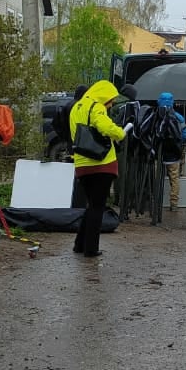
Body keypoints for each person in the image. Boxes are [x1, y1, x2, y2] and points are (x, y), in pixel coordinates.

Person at [69, 80, 129, 257]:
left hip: (82, 163)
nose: (110, 104)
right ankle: (91, 248)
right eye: (110, 100)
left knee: (91, 205)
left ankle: (79, 244)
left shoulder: (76, 107)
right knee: (98, 207)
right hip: (101, 164)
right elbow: (104, 126)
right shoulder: (96, 107)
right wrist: (120, 133)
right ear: (103, 95)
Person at [156, 91, 186, 211]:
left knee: (156, 177)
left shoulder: (156, 115)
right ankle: (174, 204)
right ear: (172, 102)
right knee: (174, 179)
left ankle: (156, 201)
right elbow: (185, 134)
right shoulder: (178, 117)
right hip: (174, 154)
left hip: (159, 153)